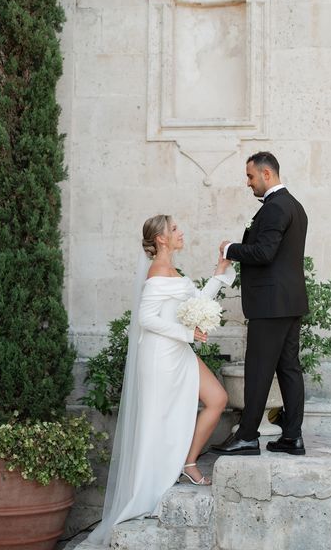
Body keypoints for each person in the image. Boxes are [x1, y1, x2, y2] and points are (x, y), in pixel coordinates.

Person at [87, 214, 235, 546]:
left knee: (218, 399)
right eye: (175, 229)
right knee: (160, 419)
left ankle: (187, 460)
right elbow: (146, 319)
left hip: (179, 351)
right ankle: (160, 480)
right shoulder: (155, 274)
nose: (181, 232)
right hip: (160, 357)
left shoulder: (174, 272)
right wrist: (187, 333)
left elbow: (197, 303)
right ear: (162, 240)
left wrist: (219, 271)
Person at [211, 151, 308, 457]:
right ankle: (292, 437)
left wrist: (231, 248)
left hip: (271, 303)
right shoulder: (295, 205)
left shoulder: (276, 207)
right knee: (289, 368)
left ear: (267, 174)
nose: (248, 182)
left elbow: (264, 253)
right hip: (289, 302)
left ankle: (248, 436)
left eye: (251, 176)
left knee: (258, 369)